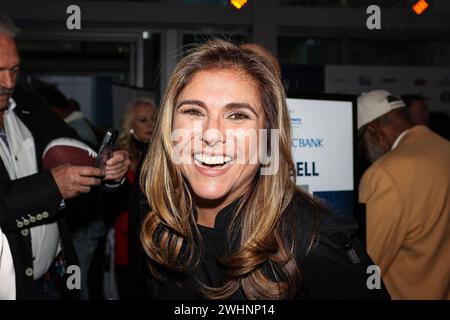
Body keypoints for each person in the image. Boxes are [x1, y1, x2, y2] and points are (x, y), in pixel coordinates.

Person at [139, 39, 390, 300]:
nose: (211, 134)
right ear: (169, 129)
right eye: (193, 111)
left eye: (238, 115)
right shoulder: (156, 222)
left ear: (268, 138)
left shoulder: (310, 237)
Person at [0, 12, 130, 299]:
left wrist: (108, 168)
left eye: (15, 70)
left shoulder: (29, 104)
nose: (8, 83)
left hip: (52, 280)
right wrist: (52, 185)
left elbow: (78, 155)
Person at [357, 90, 450, 299]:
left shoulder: (384, 173)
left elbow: (368, 262)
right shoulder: (445, 148)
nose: (362, 151)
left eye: (360, 142)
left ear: (372, 130)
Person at [113, 97, 157, 299]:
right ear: (129, 125)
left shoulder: (167, 154)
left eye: (153, 118)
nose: (150, 125)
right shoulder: (119, 156)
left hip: (157, 243)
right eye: (142, 120)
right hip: (127, 239)